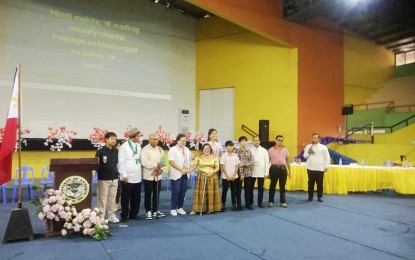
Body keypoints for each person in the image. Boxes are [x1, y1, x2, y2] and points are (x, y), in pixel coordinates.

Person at [117, 127, 144, 222]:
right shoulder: (124, 146)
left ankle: (134, 214)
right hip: (127, 176)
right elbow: (121, 162)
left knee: (136, 197)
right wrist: (124, 175)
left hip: (137, 175)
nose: (140, 138)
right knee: (125, 197)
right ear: (134, 136)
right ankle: (124, 215)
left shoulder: (138, 146)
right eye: (138, 136)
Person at [188, 143, 221, 214]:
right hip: (201, 177)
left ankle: (210, 209)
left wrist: (212, 172)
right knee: (200, 193)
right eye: (205, 148)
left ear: (210, 149)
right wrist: (187, 171)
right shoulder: (198, 157)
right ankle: (197, 209)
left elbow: (217, 167)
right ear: (202, 150)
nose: (207, 150)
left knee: (211, 193)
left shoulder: (215, 157)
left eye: (208, 149)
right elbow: (194, 166)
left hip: (212, 176)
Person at [95, 132, 120, 223]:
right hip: (103, 179)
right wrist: (102, 174)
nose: (114, 141)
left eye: (115, 139)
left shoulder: (116, 151)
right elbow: (96, 165)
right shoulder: (100, 151)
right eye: (112, 138)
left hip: (114, 178)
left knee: (112, 198)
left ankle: (111, 215)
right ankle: (100, 217)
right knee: (102, 199)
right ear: (106, 139)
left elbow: (117, 164)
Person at [141, 133, 166, 220]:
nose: (156, 141)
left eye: (157, 139)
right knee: (148, 193)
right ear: (149, 140)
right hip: (148, 175)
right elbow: (144, 162)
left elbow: (163, 161)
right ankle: (148, 211)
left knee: (157, 194)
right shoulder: (145, 149)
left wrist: (161, 169)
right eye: (154, 139)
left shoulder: (160, 149)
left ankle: (155, 210)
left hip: (158, 175)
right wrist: (156, 165)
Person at [168, 134, 193, 216]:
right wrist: (181, 169)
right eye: (182, 141)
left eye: (185, 141)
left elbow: (191, 158)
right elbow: (171, 162)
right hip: (176, 173)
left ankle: (180, 207)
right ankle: (173, 208)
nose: (183, 142)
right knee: (176, 191)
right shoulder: (173, 149)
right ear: (177, 141)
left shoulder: (187, 149)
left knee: (183, 192)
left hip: (185, 174)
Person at [303, 133, 330, 202]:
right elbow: (305, 156)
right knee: (310, 183)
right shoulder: (308, 146)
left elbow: (327, 157)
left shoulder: (323, 147)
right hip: (310, 168)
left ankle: (320, 196)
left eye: (315, 138)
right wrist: (309, 152)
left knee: (319, 183)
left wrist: (326, 166)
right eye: (313, 138)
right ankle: (310, 196)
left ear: (319, 139)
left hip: (320, 168)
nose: (314, 139)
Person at [268, 135, 291, 208]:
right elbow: (267, 162)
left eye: (281, 140)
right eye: (279, 140)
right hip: (274, 168)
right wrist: (267, 172)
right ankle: (271, 201)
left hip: (283, 169)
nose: (280, 142)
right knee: (272, 185)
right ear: (275, 140)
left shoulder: (285, 149)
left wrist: (289, 171)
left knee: (282, 186)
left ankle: (283, 202)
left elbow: (288, 161)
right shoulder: (270, 150)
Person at [249, 136, 270, 208]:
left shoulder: (264, 150)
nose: (256, 142)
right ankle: (250, 202)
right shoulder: (250, 150)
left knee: (261, 188)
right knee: (250, 188)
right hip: (252, 172)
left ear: (259, 141)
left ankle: (260, 202)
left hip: (261, 172)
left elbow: (267, 162)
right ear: (252, 142)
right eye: (254, 140)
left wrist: (266, 173)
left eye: (257, 140)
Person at [220, 140, 240, 211]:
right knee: (224, 191)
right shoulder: (223, 156)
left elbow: (237, 166)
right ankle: (223, 204)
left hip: (234, 176)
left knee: (233, 191)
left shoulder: (235, 155)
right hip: (225, 177)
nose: (230, 148)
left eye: (231, 146)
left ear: (233, 147)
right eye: (228, 146)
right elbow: (223, 166)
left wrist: (234, 175)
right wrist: (228, 176)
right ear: (226, 147)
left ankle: (234, 204)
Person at [237, 136, 254, 210]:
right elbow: (237, 163)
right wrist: (241, 173)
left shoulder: (249, 151)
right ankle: (239, 205)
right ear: (240, 142)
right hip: (239, 174)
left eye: (245, 141)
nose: (244, 142)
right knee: (238, 190)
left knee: (248, 189)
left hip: (248, 173)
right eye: (242, 141)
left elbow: (251, 161)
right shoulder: (237, 151)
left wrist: (243, 164)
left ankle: (248, 204)